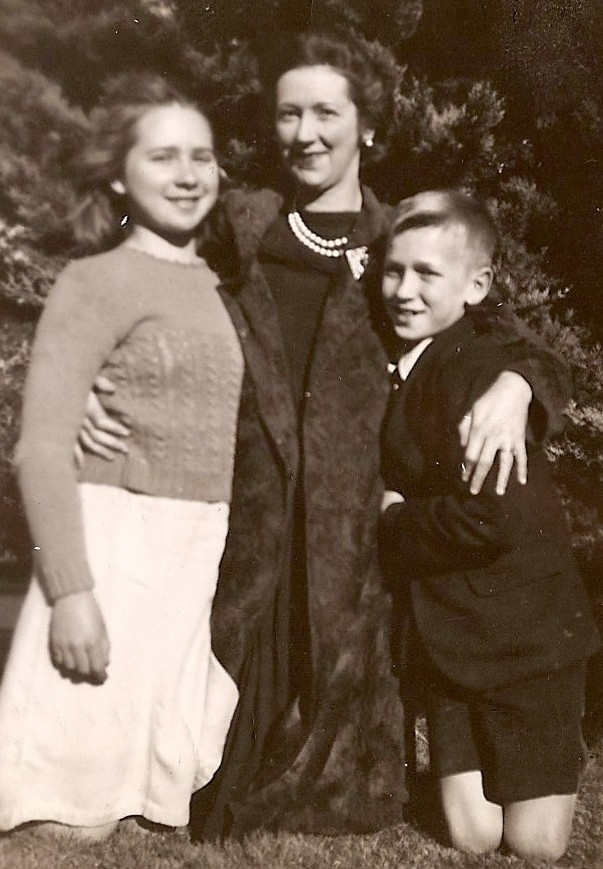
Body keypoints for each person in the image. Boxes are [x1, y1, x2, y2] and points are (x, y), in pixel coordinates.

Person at [78, 31, 571, 837]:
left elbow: (508, 337)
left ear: (367, 126)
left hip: (350, 534)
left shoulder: (397, 240)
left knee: (330, 729)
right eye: (287, 113)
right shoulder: (238, 224)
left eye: (324, 112)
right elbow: (136, 283)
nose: (303, 131)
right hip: (241, 510)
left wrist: (518, 386)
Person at [0, 73, 243, 839]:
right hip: (110, 544)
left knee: (143, 808)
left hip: (192, 549)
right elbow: (40, 447)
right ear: (118, 174)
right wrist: (70, 591)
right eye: (163, 156)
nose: (186, 174)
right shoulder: (93, 280)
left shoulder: (226, 282)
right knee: (67, 816)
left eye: (201, 156)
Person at [379, 190, 600, 862]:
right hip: (451, 636)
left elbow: (490, 518)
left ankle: (549, 750)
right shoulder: (415, 351)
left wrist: (391, 520)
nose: (403, 290)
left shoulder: (478, 367)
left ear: (476, 286)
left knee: (535, 846)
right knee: (472, 835)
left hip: (527, 639)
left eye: (426, 274)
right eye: (393, 270)